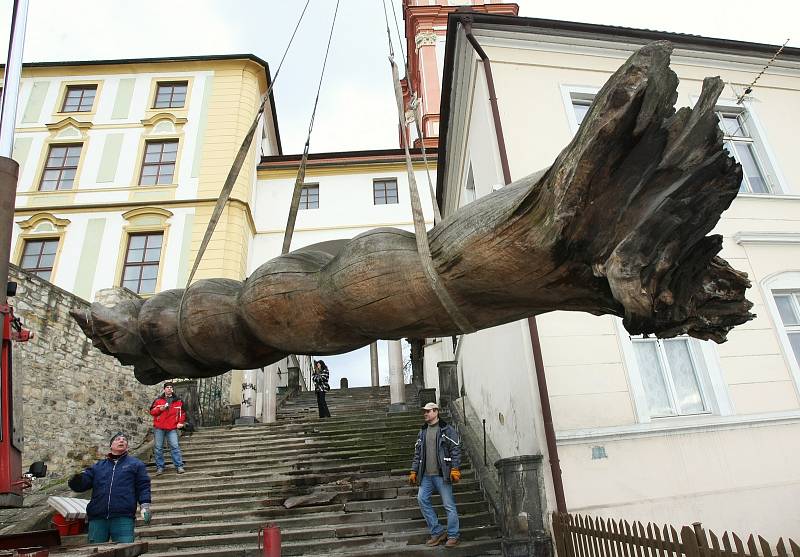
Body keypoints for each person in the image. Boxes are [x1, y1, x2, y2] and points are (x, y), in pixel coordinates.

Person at [68, 432, 151, 544]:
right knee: (95, 552)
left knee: (124, 551)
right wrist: (75, 480)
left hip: (123, 516)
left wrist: (145, 505)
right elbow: (82, 485)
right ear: (111, 445)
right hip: (98, 517)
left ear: (127, 446)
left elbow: (143, 485)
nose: (121, 440)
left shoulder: (136, 464)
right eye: (118, 439)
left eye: (124, 440)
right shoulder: (98, 467)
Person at [409, 402, 461, 548]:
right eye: (424, 412)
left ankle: (453, 535)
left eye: (428, 411)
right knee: (421, 499)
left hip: (442, 474)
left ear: (436, 411)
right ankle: (437, 532)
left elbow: (455, 449)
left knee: (449, 505)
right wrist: (414, 471)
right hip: (426, 476)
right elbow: (417, 453)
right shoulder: (423, 431)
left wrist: (455, 469)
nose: (425, 414)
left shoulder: (447, 429)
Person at [149, 382, 186, 475]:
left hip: (172, 427)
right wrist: (160, 409)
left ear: (172, 389)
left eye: (171, 387)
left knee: (175, 446)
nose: (169, 389)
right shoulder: (158, 400)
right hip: (159, 427)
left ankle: (179, 466)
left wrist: (180, 423)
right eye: (167, 387)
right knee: (158, 448)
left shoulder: (178, 401)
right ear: (164, 389)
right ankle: (160, 467)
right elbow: (152, 412)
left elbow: (183, 413)